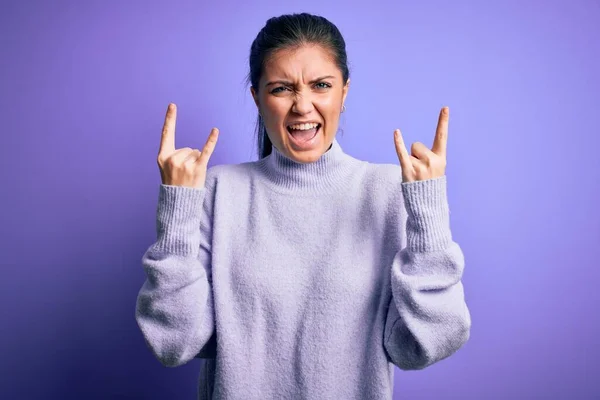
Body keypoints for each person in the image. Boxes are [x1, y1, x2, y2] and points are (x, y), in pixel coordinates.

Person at [135, 12, 471, 400]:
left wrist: (428, 216)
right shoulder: (217, 191)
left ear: (344, 92)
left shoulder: (387, 191)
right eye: (281, 88)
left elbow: (422, 344)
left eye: (321, 85)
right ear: (257, 99)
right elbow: (175, 342)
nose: (303, 105)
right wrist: (178, 210)